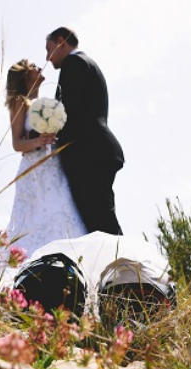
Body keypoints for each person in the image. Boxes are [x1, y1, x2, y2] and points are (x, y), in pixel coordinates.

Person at [0, 59, 88, 289]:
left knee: (64, 213)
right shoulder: (19, 103)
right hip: (34, 171)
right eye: (33, 65)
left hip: (53, 167)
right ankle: (29, 281)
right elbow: (16, 143)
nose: (39, 67)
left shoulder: (46, 103)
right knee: (34, 222)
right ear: (25, 75)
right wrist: (38, 140)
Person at [45, 27, 125, 235]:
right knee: (100, 221)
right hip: (97, 151)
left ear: (61, 41)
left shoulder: (74, 63)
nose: (48, 57)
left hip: (89, 154)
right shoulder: (87, 64)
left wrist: (40, 132)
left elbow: (66, 111)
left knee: (100, 224)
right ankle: (120, 266)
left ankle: (126, 266)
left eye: (49, 49)